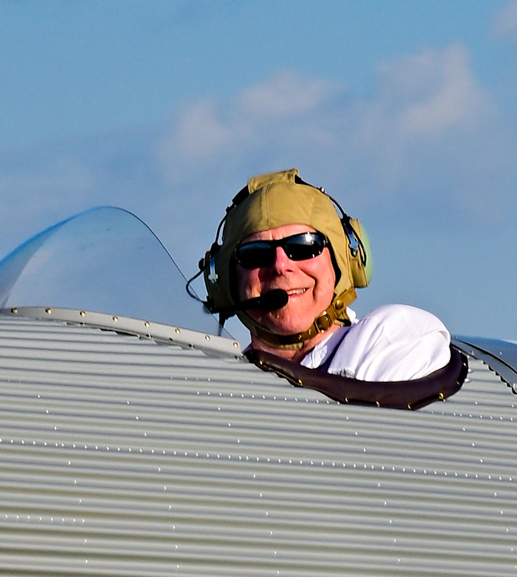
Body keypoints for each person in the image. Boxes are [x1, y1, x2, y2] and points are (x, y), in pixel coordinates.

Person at [196, 171, 463, 406]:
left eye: (304, 246)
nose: (280, 266)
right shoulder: (220, 386)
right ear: (223, 280)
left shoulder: (392, 337)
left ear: (344, 260)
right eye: (255, 254)